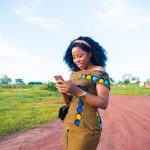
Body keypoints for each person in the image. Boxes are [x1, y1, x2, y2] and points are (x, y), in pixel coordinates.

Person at [56, 36, 110, 150]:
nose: (77, 60)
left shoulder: (99, 72)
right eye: (74, 57)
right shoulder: (74, 73)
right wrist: (63, 91)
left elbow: (103, 103)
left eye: (80, 56)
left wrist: (77, 90)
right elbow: (69, 102)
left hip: (87, 127)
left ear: (90, 53)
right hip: (69, 124)